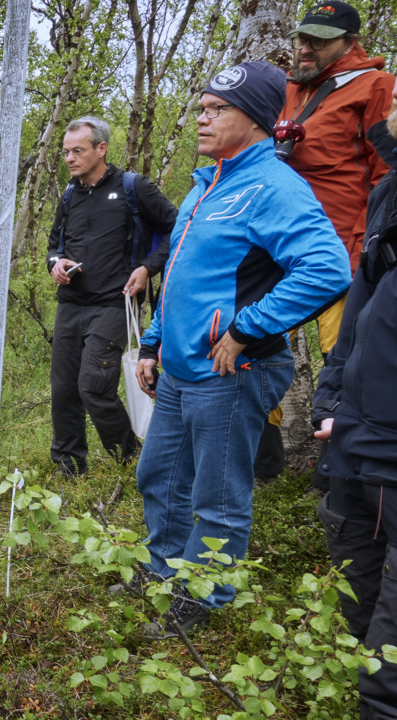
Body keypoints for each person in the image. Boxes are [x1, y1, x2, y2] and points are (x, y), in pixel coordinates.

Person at [133, 61, 351, 637]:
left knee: (216, 495)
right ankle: (164, 574)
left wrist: (247, 328)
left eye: (215, 110)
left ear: (254, 118)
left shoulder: (273, 186)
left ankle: (204, 601)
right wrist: (152, 343)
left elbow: (328, 269)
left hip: (233, 370)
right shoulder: (208, 184)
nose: (200, 119)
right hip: (181, 369)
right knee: (159, 477)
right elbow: (179, 275)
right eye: (201, 108)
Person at [258, 0, 396, 481]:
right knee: (252, 339)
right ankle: (262, 459)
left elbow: (387, 174)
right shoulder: (291, 89)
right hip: (277, 247)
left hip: (342, 249)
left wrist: (367, 251)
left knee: (346, 359)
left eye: (319, 40)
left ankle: (345, 474)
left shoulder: (376, 86)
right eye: (302, 37)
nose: (305, 48)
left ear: (350, 43)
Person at [312, 95, 397, 719]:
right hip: (355, 441)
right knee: (353, 600)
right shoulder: (386, 193)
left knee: (388, 662)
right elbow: (360, 308)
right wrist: (331, 395)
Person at [45, 116, 178, 478]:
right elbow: (53, 246)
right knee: (64, 390)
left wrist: (148, 267)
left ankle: (133, 462)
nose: (70, 159)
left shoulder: (134, 188)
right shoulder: (70, 195)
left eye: (78, 151)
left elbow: (178, 228)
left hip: (115, 304)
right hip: (71, 304)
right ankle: (69, 467)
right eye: (66, 152)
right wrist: (56, 264)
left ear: (101, 149)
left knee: (93, 387)